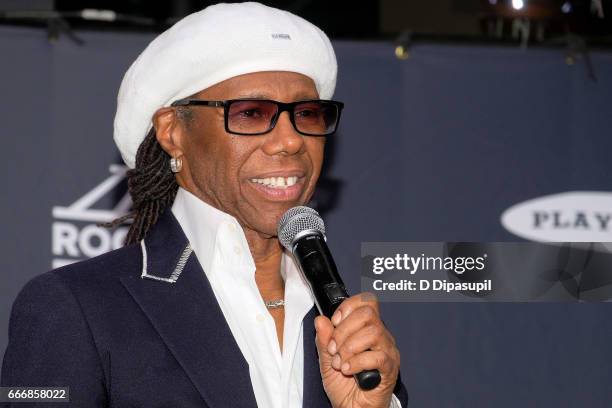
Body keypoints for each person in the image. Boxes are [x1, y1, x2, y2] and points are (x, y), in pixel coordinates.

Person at [1, 3, 407, 407]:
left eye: (307, 114)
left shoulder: (349, 328)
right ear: (172, 132)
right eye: (251, 113)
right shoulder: (74, 306)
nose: (290, 140)